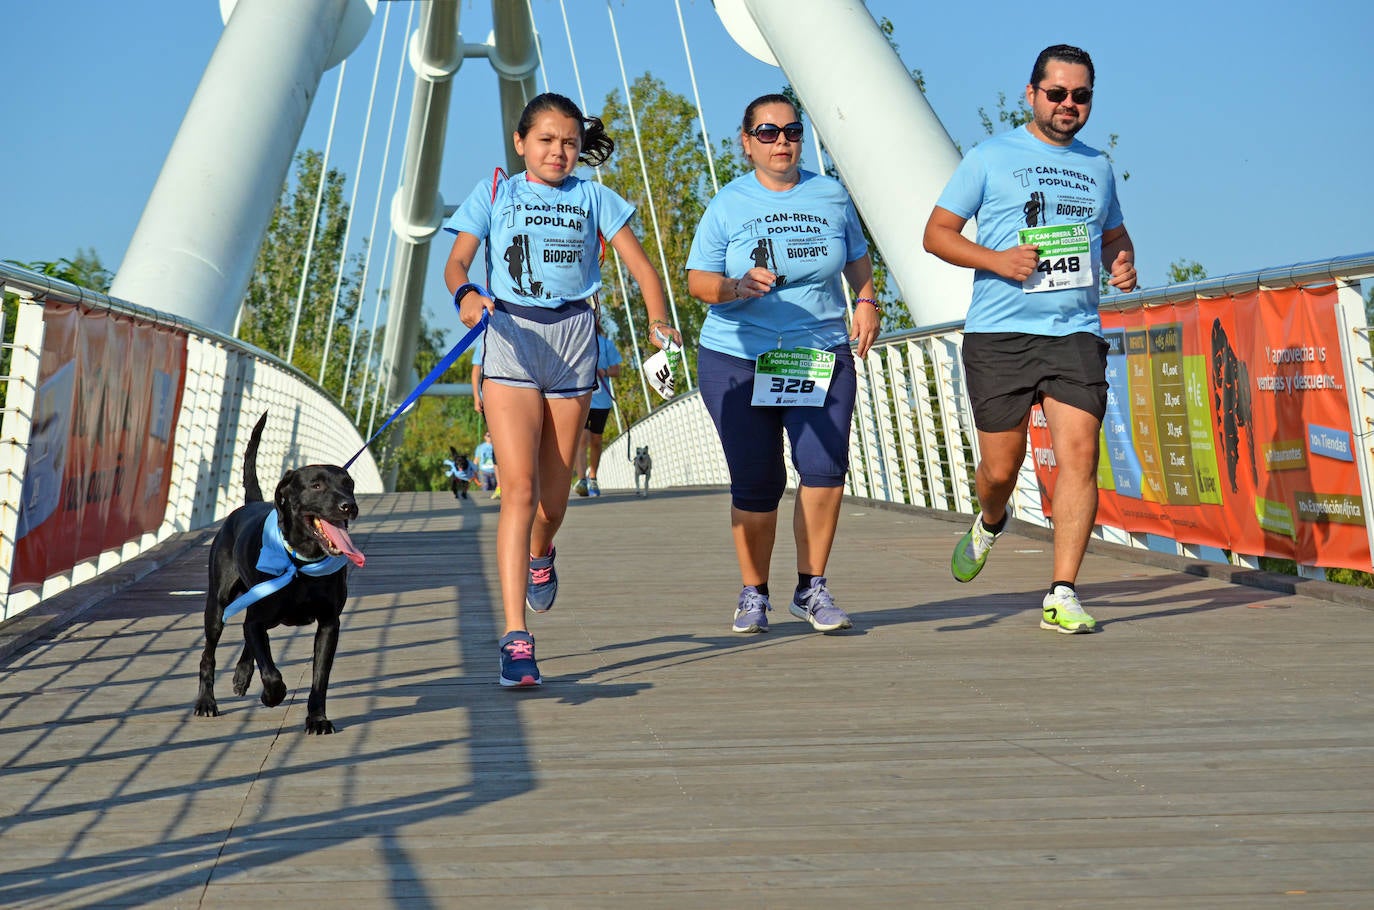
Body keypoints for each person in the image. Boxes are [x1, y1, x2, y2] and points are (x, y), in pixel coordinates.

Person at [442, 92, 679, 687]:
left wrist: (658, 326)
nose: (559, 151)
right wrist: (466, 296)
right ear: (521, 143)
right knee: (517, 491)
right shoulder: (494, 191)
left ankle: (540, 555)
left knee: (554, 501)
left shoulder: (595, 198)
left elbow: (644, 271)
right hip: (512, 340)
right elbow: (457, 264)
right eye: (546, 140)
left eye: (569, 142)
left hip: (575, 345)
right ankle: (514, 638)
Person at [921, 44, 1137, 634]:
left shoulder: (1098, 166)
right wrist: (997, 260)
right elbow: (936, 235)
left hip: (1074, 333)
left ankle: (1062, 592)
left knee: (1080, 457)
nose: (1069, 104)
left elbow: (1116, 237)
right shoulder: (990, 157)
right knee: (1001, 468)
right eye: (1058, 93)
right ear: (1032, 95)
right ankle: (991, 521)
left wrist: (1122, 264)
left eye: (1081, 95)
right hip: (1000, 334)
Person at [686, 93, 880, 636]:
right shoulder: (727, 204)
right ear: (747, 142)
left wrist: (866, 301)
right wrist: (734, 286)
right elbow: (697, 280)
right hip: (737, 357)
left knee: (823, 469)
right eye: (767, 133)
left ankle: (811, 588)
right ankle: (754, 593)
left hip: (817, 352)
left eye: (791, 132)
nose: (782, 142)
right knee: (757, 483)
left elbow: (857, 258)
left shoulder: (831, 194)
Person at [572, 313, 622, 498]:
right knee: (582, 439)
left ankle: (593, 477)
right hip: (581, 399)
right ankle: (582, 479)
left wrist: (604, 371)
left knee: (596, 440)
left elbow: (617, 370)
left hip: (601, 401)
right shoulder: (575, 343)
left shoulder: (606, 344)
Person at [472, 428, 499, 497]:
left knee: (494, 488)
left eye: (491, 435)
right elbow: (476, 460)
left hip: (494, 472)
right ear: (485, 437)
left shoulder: (497, 446)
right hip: (483, 472)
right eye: (488, 435)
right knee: (485, 487)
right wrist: (474, 473)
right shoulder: (480, 447)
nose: (489, 437)